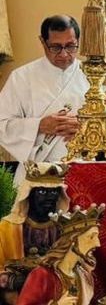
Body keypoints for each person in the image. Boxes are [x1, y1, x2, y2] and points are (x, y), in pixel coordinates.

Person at [0, 15, 87, 184]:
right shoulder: (22, 77)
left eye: (70, 46)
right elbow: (2, 123)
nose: (64, 54)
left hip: (82, 171)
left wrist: (86, 128)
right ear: (42, 42)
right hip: (35, 174)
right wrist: (38, 126)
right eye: (55, 47)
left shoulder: (93, 76)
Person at [0, 162, 70, 305]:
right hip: (17, 297)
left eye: (54, 192)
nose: (49, 197)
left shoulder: (66, 229)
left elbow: (78, 267)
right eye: (42, 192)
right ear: (28, 194)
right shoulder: (7, 227)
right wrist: (12, 280)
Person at [16, 203, 104, 305]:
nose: (98, 244)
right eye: (91, 237)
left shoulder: (85, 277)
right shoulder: (42, 275)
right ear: (72, 241)